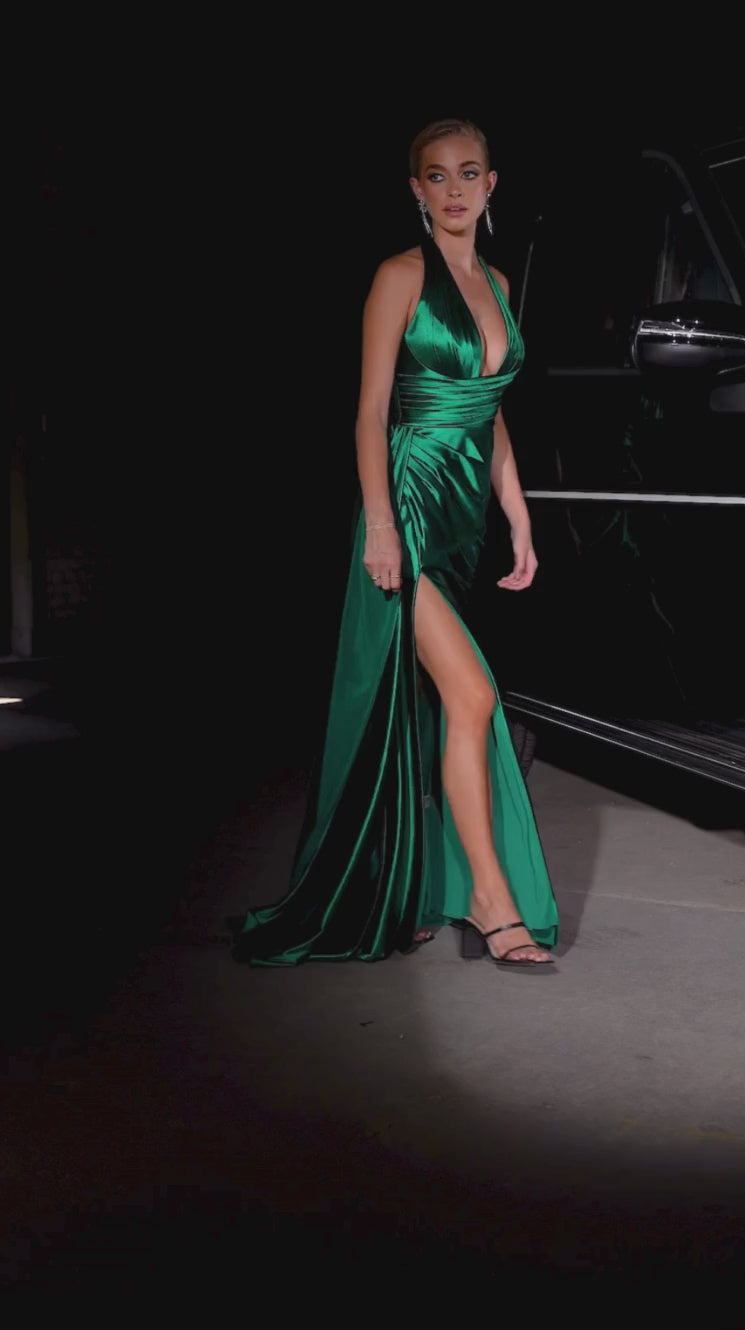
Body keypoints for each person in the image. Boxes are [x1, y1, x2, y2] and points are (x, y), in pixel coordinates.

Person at [230, 118, 559, 970]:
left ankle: (404, 891)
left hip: (464, 516)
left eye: (469, 173)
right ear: (416, 190)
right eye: (437, 176)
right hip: (408, 506)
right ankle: (490, 902)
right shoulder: (399, 276)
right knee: (473, 698)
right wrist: (379, 522)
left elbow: (489, 411)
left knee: (420, 712)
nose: (455, 189)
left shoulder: (499, 283)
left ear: (492, 185)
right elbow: (371, 412)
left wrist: (518, 515)